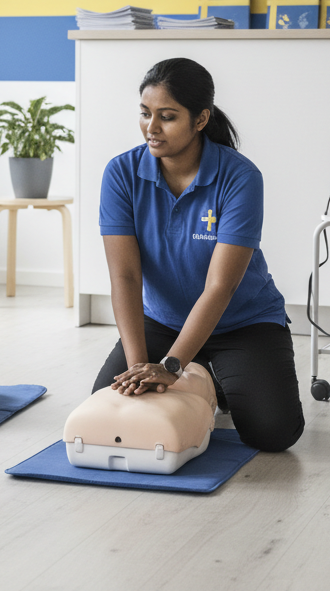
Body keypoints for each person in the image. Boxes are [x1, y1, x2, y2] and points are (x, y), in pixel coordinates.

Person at [91, 58, 305, 453]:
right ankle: (198, 374)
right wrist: (141, 369)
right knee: (111, 411)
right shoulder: (121, 173)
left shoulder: (240, 177)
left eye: (167, 117)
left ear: (201, 118)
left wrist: (171, 367)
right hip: (163, 321)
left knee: (272, 433)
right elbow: (124, 276)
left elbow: (221, 285)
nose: (151, 128)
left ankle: (210, 377)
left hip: (241, 323)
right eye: (145, 114)